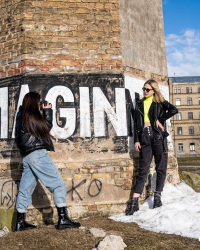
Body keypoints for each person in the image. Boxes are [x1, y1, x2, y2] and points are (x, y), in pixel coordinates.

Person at [15, 91, 81, 231]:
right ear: (34, 102)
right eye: (39, 102)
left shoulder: (20, 116)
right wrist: (48, 111)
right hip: (37, 155)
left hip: (27, 157)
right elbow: (46, 128)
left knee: (25, 190)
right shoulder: (31, 116)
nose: (40, 104)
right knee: (57, 185)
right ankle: (63, 218)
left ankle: (20, 222)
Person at [126, 79, 178, 216]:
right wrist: (136, 140)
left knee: (161, 167)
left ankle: (157, 197)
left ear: (154, 91)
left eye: (147, 89)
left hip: (158, 138)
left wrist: (160, 119)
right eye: (144, 89)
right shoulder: (139, 104)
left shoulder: (160, 103)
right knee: (143, 169)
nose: (144, 91)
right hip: (144, 138)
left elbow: (174, 109)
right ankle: (134, 201)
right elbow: (136, 125)